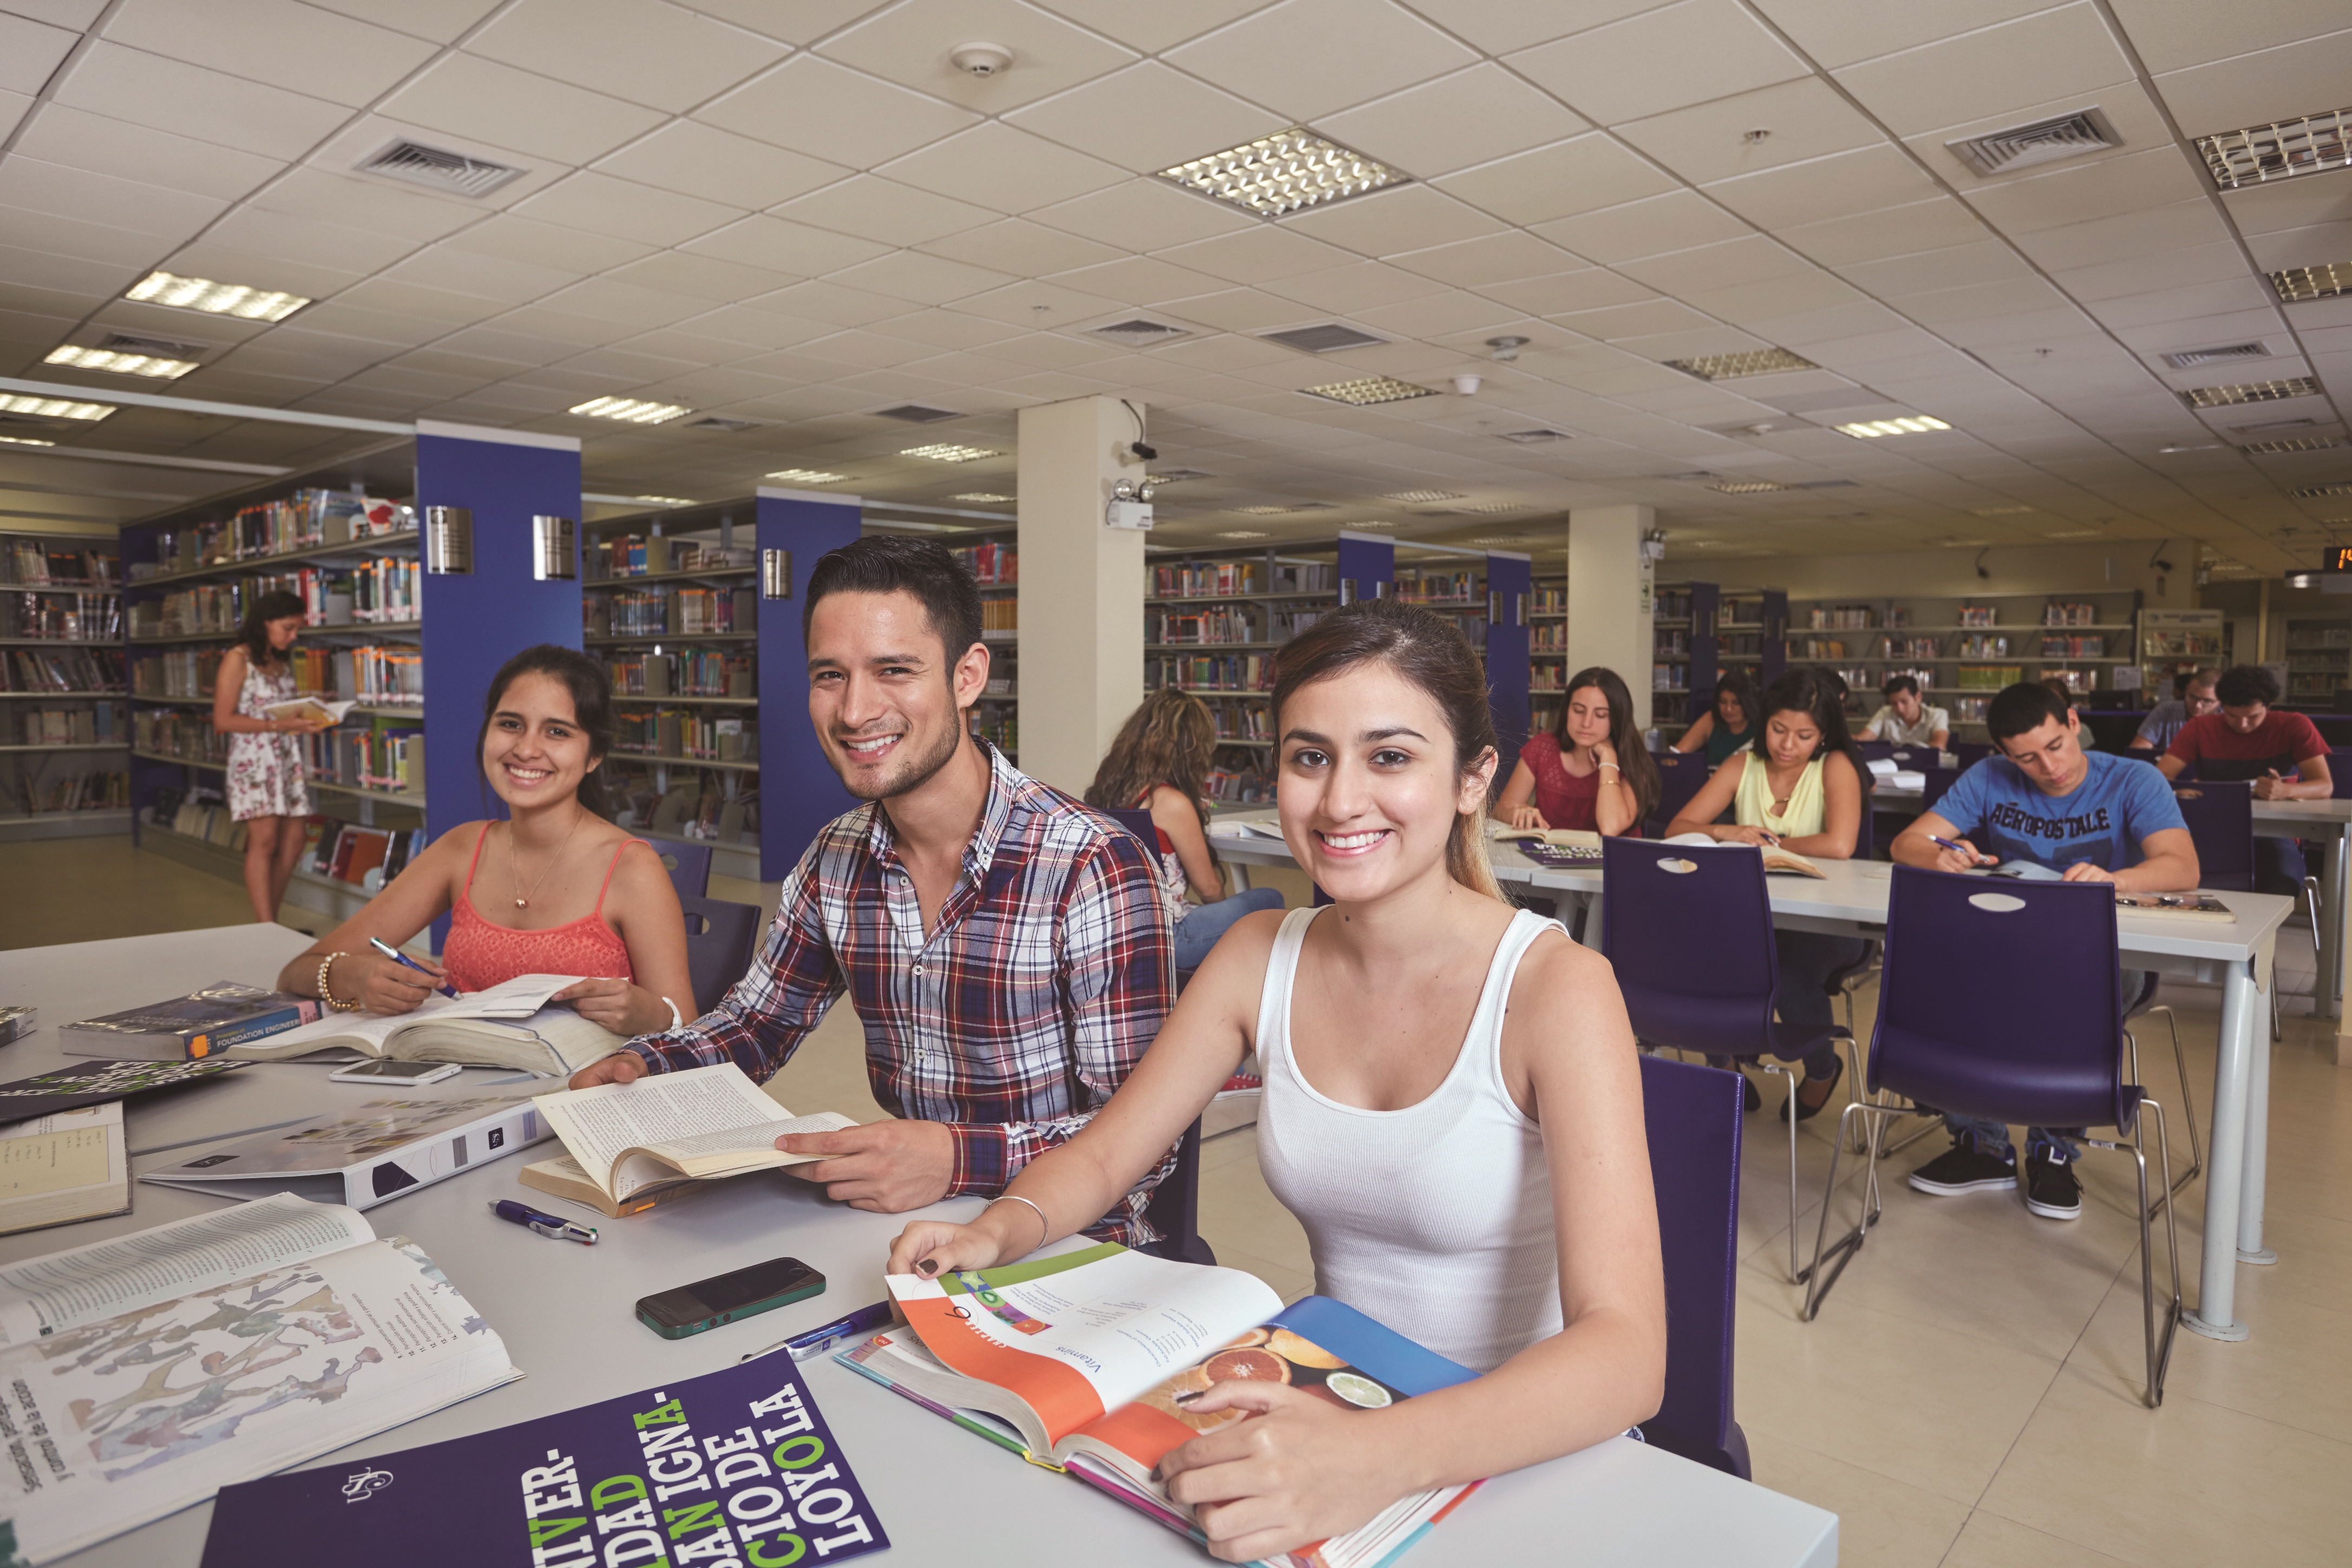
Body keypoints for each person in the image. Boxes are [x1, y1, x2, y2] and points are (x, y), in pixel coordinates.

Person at [884, 597, 1664, 1564]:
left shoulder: (1556, 988)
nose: (1339, 801)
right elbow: (1106, 1153)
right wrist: (997, 1228)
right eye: (1308, 757)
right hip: (1335, 1404)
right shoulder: (1260, 953)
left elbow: (1627, 1353)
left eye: (1388, 756)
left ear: (1472, 779)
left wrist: (1375, 1457)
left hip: (1520, 1458)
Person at [566, 536, 1179, 1242]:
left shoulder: (1089, 865)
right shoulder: (836, 856)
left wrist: (954, 1159)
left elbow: (1144, 1140)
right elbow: (760, 1024)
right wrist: (644, 1064)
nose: (855, 712)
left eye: (894, 670)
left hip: (1070, 1239)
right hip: (910, 1220)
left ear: (967, 676)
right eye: (831, 675)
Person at [1890, 681, 2197, 1221]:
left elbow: (2181, 867)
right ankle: (1982, 1146)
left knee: (2072, 996)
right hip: (2009, 943)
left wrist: (2115, 878)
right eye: (2027, 758)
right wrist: (1943, 856)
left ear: (2073, 722)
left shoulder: (2133, 778)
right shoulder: (1988, 777)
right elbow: (1908, 842)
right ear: (2005, 755)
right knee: (1942, 980)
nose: (2049, 767)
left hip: (2100, 953)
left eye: (2055, 746)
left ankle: (2054, 1149)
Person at [278, 646, 693, 1036]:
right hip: (461, 1085)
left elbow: (689, 1029)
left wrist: (649, 1014)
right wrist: (354, 975)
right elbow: (296, 971)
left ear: (594, 755)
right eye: (510, 724)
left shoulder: (632, 868)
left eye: (558, 732)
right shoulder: (461, 849)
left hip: (583, 1096)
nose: (527, 749)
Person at [1665, 669, 1870, 1120]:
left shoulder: (1834, 766)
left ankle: (1821, 1067)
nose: (1787, 745)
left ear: (1822, 735)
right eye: (1778, 730)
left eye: (1803, 735)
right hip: (1752, 916)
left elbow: (1840, 844)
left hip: (1827, 919)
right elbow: (1678, 827)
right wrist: (1729, 831)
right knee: (1708, 961)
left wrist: (1769, 844)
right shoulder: (1743, 764)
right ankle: (1727, 1065)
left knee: (1788, 974)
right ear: (1765, 724)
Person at [1084, 689, 1283, 971]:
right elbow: (1209, 889)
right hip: (1164, 939)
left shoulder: (1106, 788)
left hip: (1112, 933)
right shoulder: (1170, 802)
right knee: (1269, 899)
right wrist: (1222, 920)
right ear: (1190, 749)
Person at [2158, 663, 2330, 894]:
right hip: (2213, 829)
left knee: (2282, 881)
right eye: (2232, 715)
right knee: (2171, 874)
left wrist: (2285, 791)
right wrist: (2183, 790)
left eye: (2253, 716)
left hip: (2273, 833)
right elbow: (2158, 779)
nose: (2242, 725)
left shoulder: (2294, 725)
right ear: (2221, 706)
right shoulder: (2200, 727)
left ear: (2269, 706)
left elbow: (2324, 785)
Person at [214, 590, 332, 924]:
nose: (293, 636)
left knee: (294, 843)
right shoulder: (238, 660)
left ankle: (270, 920)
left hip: (285, 758)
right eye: (287, 628)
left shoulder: (280, 662)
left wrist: (308, 721)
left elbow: (282, 709)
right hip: (254, 760)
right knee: (264, 842)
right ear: (265, 623)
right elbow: (223, 720)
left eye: (297, 629)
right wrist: (282, 723)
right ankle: (266, 925)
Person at [1494, 666, 1661, 835]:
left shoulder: (1633, 760)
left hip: (1615, 861)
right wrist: (1516, 813)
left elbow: (1610, 827)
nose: (1586, 723)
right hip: (1549, 859)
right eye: (1578, 711)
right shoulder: (1542, 748)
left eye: (1601, 715)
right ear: (1566, 710)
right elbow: (1499, 813)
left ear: (1617, 719)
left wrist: (1608, 758)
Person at [1671, 671, 1758, 765]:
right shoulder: (1711, 719)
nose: (1728, 709)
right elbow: (1677, 755)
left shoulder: (1761, 725)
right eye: (1723, 702)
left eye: (1736, 703)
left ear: (1748, 703)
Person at [2129, 668, 2219, 755]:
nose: (2197, 706)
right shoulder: (2166, 711)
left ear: (2221, 699)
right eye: (2192, 697)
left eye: (2207, 701)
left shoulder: (2229, 719)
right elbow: (2137, 754)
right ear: (2187, 690)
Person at [1860, 674, 1950, 749]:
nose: (1899, 709)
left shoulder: (1938, 714)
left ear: (1918, 697)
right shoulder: (1885, 712)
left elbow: (1939, 745)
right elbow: (1862, 740)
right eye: (1894, 704)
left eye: (1904, 702)